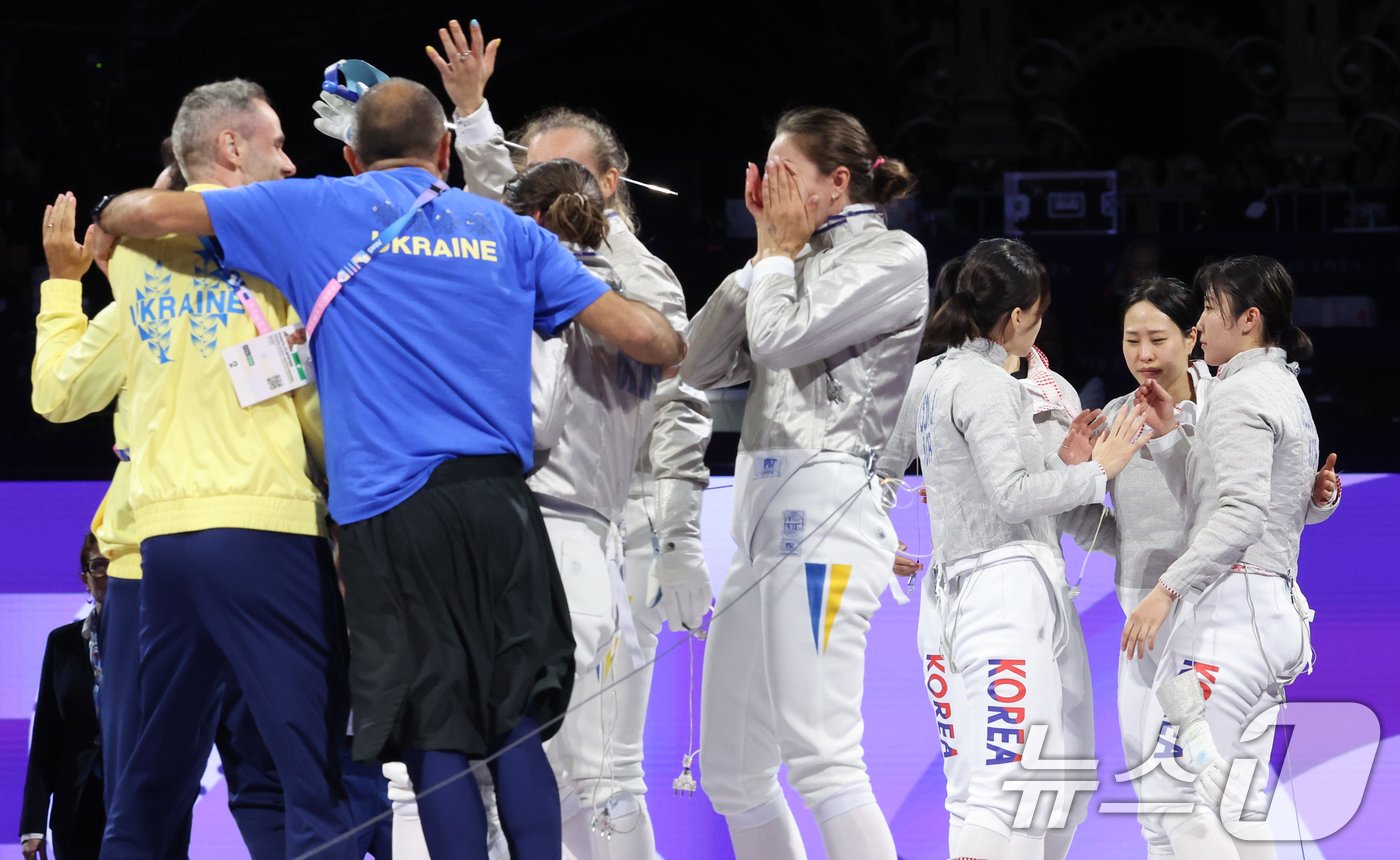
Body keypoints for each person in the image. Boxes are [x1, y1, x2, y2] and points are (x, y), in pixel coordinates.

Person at [94, 77, 685, 860]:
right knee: (514, 732)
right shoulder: (508, 232)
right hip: (500, 508)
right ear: (444, 152)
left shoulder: (311, 207)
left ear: (348, 155)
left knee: (434, 737)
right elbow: (652, 341)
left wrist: (105, 222)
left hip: (388, 517)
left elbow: (144, 213)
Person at [427, 22, 715, 858]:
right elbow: (495, 204)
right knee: (492, 769)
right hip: (494, 529)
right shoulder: (515, 253)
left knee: (601, 772)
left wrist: (678, 541)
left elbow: (679, 387)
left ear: (609, 186)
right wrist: (474, 115)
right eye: (532, 182)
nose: (539, 202)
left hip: (604, 534)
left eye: (564, 185)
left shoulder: (641, 280)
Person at [72, 79, 356, 859]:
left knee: (153, 775)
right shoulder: (276, 247)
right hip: (264, 529)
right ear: (233, 148)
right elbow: (305, 404)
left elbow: (125, 216)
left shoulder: (130, 256)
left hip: (164, 542)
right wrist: (354, 488)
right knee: (311, 772)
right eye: (276, 144)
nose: (292, 166)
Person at [681, 107, 926, 859]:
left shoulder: (892, 257)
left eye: (786, 172)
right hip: (759, 525)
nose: (772, 188)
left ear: (839, 181)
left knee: (821, 755)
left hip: (825, 516)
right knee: (731, 770)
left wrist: (779, 257)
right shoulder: (784, 260)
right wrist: (764, 255)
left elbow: (781, 340)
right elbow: (694, 362)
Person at [35, 157, 290, 859]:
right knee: (272, 781)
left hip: (154, 564)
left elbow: (56, 395)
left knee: (147, 793)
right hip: (265, 551)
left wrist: (62, 288)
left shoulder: (133, 309)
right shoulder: (276, 290)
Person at [910, 238, 1150, 860]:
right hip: (999, 592)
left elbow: (1006, 486)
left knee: (1055, 779)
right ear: (1017, 318)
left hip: (997, 587)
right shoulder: (980, 384)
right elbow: (1012, 496)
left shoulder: (951, 378)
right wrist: (1099, 468)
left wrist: (1064, 463)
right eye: (1037, 313)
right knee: (1002, 788)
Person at [1105, 275, 1340, 858]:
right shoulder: (1278, 383)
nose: (1144, 353)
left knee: (1182, 801)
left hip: (1211, 609)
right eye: (1131, 339)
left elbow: (1239, 513)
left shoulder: (1233, 394)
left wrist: (1166, 591)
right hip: (1192, 614)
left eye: (1159, 336)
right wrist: (1081, 476)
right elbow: (1236, 498)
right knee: (1215, 806)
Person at [19, 534, 107, 860]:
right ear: (85, 578)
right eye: (98, 566)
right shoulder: (63, 644)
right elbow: (47, 734)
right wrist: (33, 825)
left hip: (141, 806)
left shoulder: (155, 641)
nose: (107, 575)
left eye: (116, 565)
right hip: (77, 809)